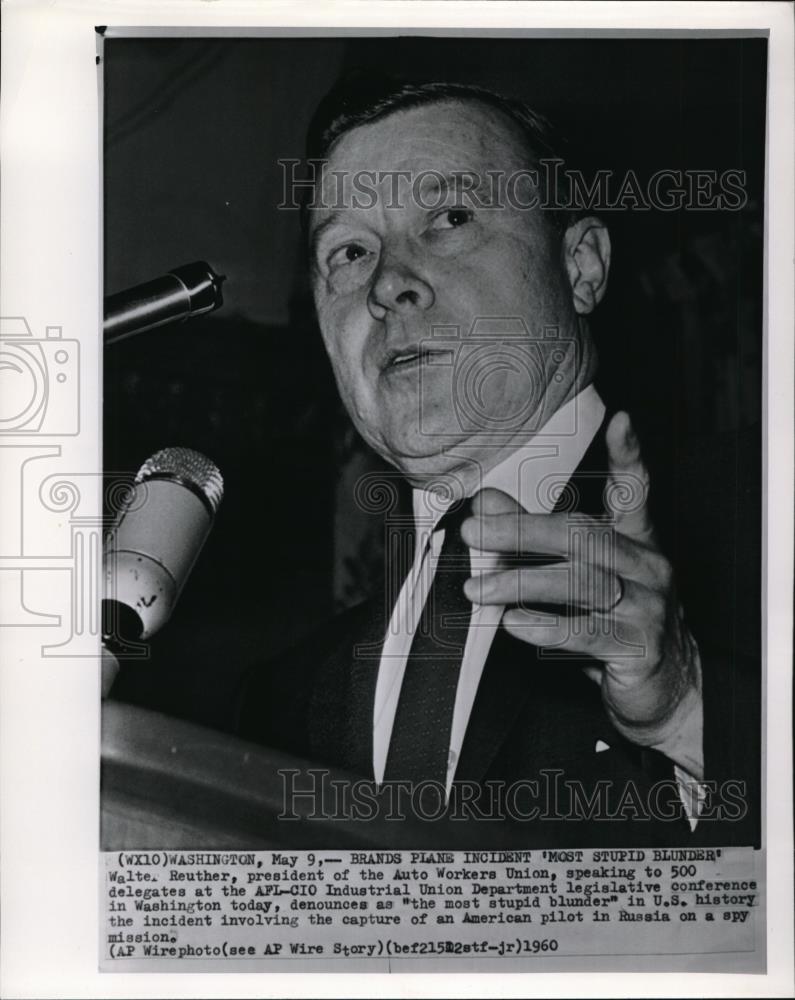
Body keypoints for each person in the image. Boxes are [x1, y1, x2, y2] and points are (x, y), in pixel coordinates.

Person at [237, 78, 758, 847]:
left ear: (580, 266)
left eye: (449, 218)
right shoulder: (280, 696)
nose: (387, 284)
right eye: (347, 252)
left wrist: (687, 710)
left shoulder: (761, 520)